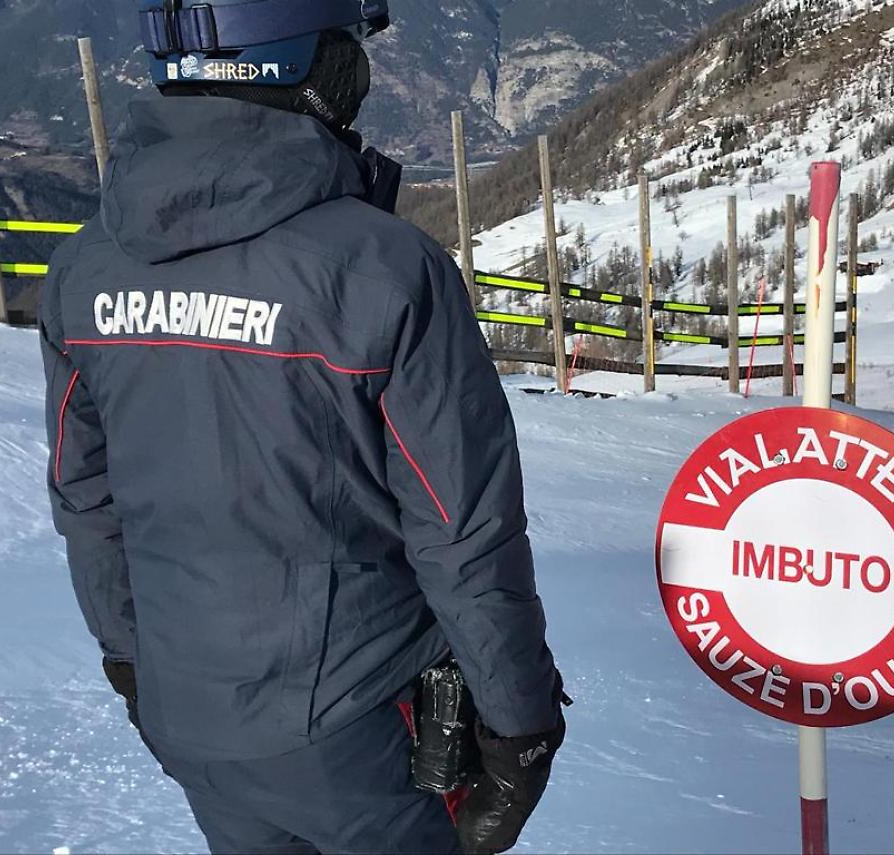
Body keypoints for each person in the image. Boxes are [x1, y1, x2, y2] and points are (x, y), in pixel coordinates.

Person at [38, 2, 565, 852]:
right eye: (347, 54)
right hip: (365, 730)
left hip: (191, 716)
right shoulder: (385, 271)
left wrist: (135, 667)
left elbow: (86, 500)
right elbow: (463, 529)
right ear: (304, 68)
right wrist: (518, 725)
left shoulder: (84, 268)